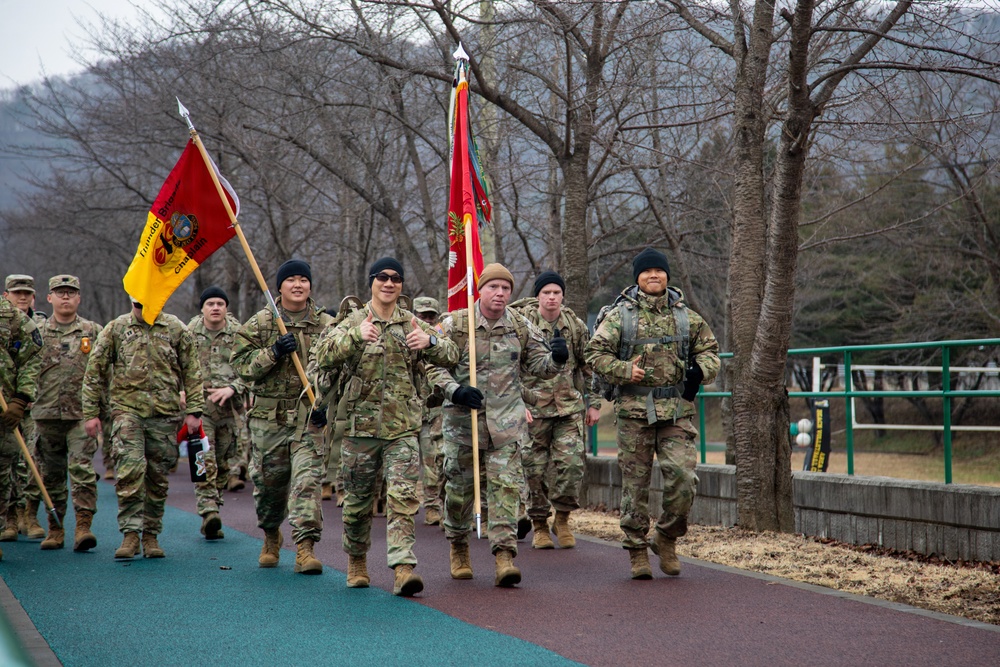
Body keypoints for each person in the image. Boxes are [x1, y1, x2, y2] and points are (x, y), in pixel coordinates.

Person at [313, 258, 459, 596]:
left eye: (395, 278)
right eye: (382, 277)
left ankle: (403, 568)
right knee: (357, 503)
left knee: (402, 498)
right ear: (372, 282)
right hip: (359, 429)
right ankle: (357, 561)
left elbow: (452, 353)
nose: (389, 283)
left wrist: (431, 343)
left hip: (402, 428)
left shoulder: (413, 323)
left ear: (401, 285)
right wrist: (354, 336)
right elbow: (322, 355)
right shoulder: (352, 320)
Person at [427, 263, 567, 587]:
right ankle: (459, 545)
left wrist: (557, 359)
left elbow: (538, 367)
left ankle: (504, 557)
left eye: (506, 288)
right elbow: (432, 367)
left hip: (507, 424)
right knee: (460, 492)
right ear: (481, 289)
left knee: (505, 491)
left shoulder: (520, 325)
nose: (500, 294)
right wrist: (456, 390)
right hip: (464, 424)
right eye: (494, 287)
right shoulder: (457, 324)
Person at [585, 248, 720, 579]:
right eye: (646, 272)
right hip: (634, 414)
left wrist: (699, 373)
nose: (653, 276)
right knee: (636, 488)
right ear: (637, 278)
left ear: (667, 276)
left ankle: (666, 536)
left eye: (659, 271)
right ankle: (636, 550)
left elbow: (711, 352)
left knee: (684, 478)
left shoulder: (687, 317)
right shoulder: (620, 317)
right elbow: (593, 353)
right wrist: (621, 370)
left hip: (676, 412)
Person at [231, 259, 334, 574]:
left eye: (304, 279)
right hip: (269, 419)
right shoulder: (262, 323)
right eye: (291, 280)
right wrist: (273, 352)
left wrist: (324, 404)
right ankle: (271, 534)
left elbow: (339, 367)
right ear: (279, 286)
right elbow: (241, 366)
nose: (298, 285)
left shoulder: (326, 324)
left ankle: (305, 548)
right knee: (270, 486)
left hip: (308, 417)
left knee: (306, 483)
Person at [82, 300, 204, 559]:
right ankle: (129, 534)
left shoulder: (176, 328)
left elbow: (192, 370)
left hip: (164, 415)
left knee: (157, 477)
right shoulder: (116, 329)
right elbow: (95, 371)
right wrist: (91, 413)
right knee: (129, 470)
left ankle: (150, 535)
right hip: (127, 412)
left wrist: (194, 411)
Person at [514, 271, 601, 549]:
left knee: (572, 466)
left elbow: (589, 366)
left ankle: (562, 518)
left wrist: (595, 403)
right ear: (538, 296)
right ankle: (539, 524)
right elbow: (510, 366)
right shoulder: (522, 325)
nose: (551, 298)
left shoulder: (574, 326)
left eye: (556, 293)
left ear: (562, 296)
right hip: (533, 409)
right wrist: (516, 402)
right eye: (546, 293)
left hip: (568, 409)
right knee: (533, 470)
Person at [32, 275, 102, 551]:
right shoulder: (35, 330)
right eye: (59, 293)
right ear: (49, 298)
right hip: (45, 413)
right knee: (50, 475)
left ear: (78, 298)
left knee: (82, 470)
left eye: (70, 293)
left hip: (80, 415)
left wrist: (100, 409)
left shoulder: (92, 331)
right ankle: (55, 527)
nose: (65, 298)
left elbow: (102, 370)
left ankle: (83, 527)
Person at [187, 286, 246, 541]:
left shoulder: (239, 333)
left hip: (229, 409)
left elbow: (251, 367)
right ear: (202, 308)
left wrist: (234, 387)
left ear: (226, 308)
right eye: (210, 303)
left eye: (220, 303)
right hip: (200, 407)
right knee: (203, 459)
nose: (215, 307)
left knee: (224, 464)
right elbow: (178, 364)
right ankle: (208, 510)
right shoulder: (189, 333)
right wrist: (183, 392)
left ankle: (214, 506)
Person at [1, 274, 46, 541]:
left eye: (26, 293)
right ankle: (8, 520)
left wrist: (22, 397)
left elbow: (34, 361)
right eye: (16, 292)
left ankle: (26, 513)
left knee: (22, 463)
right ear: (6, 294)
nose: (22, 297)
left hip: (25, 407)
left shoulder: (30, 325)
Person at [412, 296, 446, 527]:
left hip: (433, 412)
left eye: (430, 316)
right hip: (408, 411)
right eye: (422, 315)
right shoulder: (405, 337)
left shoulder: (440, 342)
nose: (426, 319)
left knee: (434, 461)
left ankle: (433, 507)